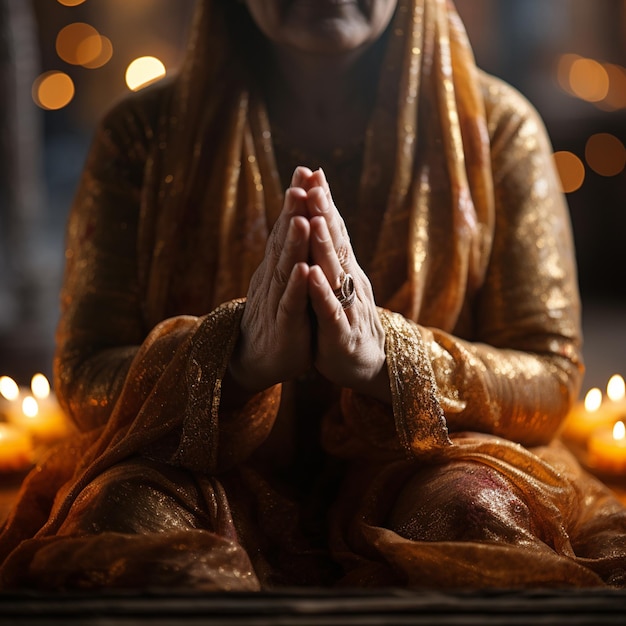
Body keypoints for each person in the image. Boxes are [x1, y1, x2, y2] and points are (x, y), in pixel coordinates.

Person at [1, 0, 625, 590]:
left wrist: (392, 362)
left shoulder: (496, 129)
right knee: (124, 524)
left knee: (473, 514)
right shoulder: (141, 134)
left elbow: (549, 373)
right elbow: (84, 374)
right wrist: (235, 360)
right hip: (200, 466)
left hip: (430, 461)